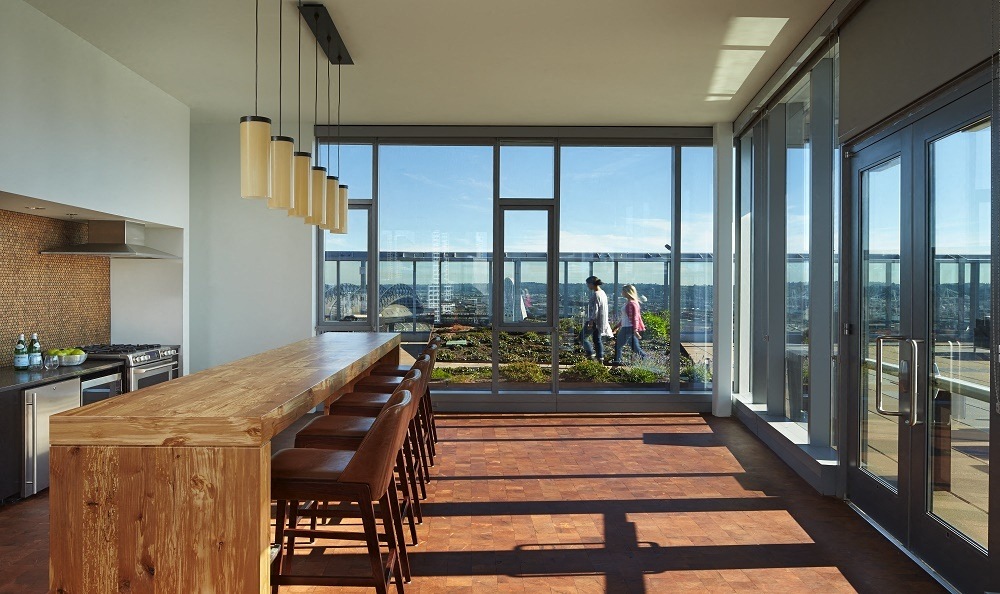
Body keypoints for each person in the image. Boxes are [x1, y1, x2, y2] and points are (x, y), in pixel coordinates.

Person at [580, 276, 614, 362]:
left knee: (582, 337)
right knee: (597, 339)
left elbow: (595, 309)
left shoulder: (596, 294)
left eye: (588, 284)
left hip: (594, 320)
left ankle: (590, 354)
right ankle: (600, 358)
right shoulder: (602, 293)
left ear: (591, 284)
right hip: (601, 320)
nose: (588, 286)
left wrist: (591, 321)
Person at [613, 284, 647, 365]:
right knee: (625, 346)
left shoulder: (631, 303)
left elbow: (634, 318)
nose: (622, 293)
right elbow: (626, 318)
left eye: (623, 291)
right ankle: (618, 362)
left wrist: (635, 330)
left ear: (628, 292)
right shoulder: (629, 303)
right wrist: (617, 326)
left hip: (629, 328)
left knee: (625, 346)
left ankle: (618, 362)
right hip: (626, 327)